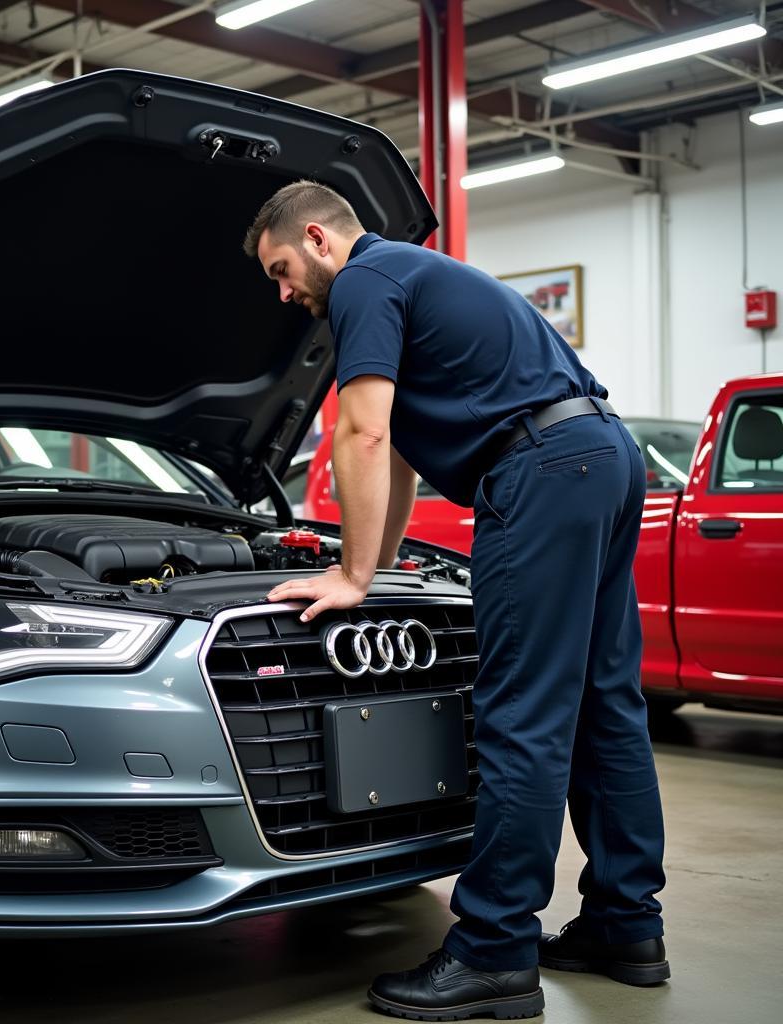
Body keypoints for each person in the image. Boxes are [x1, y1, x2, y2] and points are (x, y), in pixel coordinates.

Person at [243, 180, 668, 1022]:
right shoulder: (415, 275)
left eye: (283, 269)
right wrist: (383, 561)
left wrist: (353, 578)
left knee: (525, 716)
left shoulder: (365, 283)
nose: (285, 293)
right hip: (602, 454)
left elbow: (360, 432)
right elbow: (397, 451)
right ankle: (627, 926)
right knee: (605, 707)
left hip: (540, 472)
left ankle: (493, 953)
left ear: (321, 239)